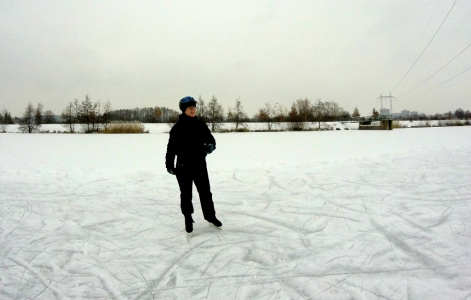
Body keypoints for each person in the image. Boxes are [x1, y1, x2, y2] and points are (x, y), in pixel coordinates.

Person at [165, 96, 222, 233]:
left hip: (199, 165)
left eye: (194, 107)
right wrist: (169, 165)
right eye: (190, 107)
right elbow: (171, 148)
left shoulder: (200, 124)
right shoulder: (177, 129)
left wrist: (211, 146)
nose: (193, 110)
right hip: (183, 166)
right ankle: (187, 217)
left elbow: (210, 139)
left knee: (205, 192)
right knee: (186, 194)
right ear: (184, 110)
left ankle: (210, 216)